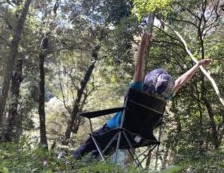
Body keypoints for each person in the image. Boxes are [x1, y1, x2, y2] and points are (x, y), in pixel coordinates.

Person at [73, 32, 212, 159]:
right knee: (101, 153)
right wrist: (198, 65)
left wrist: (143, 42)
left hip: (113, 131)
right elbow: (181, 81)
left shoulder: (138, 90)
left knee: (89, 146)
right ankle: (90, 165)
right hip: (136, 139)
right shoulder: (163, 98)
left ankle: (71, 162)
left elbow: (139, 66)